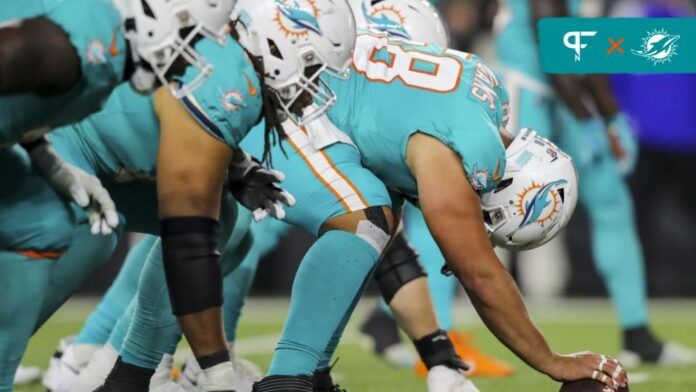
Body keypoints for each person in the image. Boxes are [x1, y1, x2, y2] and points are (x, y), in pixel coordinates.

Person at [492, 0, 696, 366]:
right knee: (481, 208)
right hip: (525, 91)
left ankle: (638, 335)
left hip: (563, 91)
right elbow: (554, 46)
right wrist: (593, 119)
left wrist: (609, 115)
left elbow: (585, 46)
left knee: (612, 201)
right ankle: (426, 331)